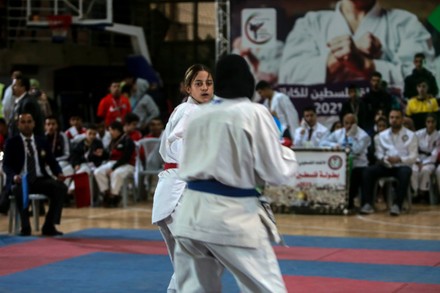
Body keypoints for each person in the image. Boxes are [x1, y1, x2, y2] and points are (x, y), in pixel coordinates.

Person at [172, 54, 298, 292]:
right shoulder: (254, 113)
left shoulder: (198, 114)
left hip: (189, 215)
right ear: (247, 81)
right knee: (267, 288)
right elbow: (276, 171)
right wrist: (288, 154)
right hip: (231, 216)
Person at [151, 64, 214, 292]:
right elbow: (177, 140)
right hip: (178, 192)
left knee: (188, 264)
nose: (205, 88)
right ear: (188, 88)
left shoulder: (194, 111)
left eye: (208, 83)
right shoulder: (189, 112)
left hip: (175, 190)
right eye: (198, 84)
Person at [278, 0, 435, 86]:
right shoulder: (311, 23)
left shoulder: (406, 23)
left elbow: (425, 84)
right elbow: (288, 78)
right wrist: (340, 59)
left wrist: (367, 65)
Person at [3, 113, 67, 236]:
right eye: (23, 122)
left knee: (60, 188)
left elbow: (52, 162)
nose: (26, 125)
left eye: (29, 121)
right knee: (18, 190)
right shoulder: (12, 142)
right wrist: (14, 176)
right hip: (21, 180)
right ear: (18, 125)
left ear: (34, 124)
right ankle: (25, 226)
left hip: (39, 179)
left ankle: (49, 225)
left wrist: (58, 173)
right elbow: (6, 166)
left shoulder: (41, 141)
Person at [360, 109, 417, 216]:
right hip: (386, 165)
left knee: (406, 172)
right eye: (392, 117)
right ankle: (367, 204)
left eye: (397, 117)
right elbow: (378, 153)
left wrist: (399, 159)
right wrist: (385, 159)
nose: (394, 120)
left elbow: (413, 156)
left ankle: (397, 205)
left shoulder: (411, 135)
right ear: (389, 119)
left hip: (401, 166)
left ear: (402, 119)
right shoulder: (381, 135)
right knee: (368, 171)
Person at [320, 113, 371, 210]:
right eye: (346, 123)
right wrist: (334, 145)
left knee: (353, 175)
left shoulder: (364, 136)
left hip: (359, 165)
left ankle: (349, 202)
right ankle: (333, 201)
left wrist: (351, 136)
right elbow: (322, 143)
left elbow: (356, 150)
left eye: (352, 123)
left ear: (356, 123)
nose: (349, 126)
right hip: (341, 165)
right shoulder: (339, 133)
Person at [93, 121, 135, 207]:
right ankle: (106, 193)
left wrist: (113, 168)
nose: (109, 132)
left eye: (110, 130)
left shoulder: (128, 140)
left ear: (116, 130)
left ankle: (114, 196)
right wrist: (102, 154)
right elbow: (109, 154)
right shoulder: (112, 140)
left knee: (116, 173)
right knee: (98, 172)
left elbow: (125, 158)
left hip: (127, 165)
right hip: (112, 163)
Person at [411, 114, 439, 203]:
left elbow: (436, 152)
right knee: (413, 170)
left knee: (425, 170)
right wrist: (418, 161)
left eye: (432, 122)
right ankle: (414, 192)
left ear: (436, 123)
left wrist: (424, 163)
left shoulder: (438, 135)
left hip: (430, 161)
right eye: (428, 122)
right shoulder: (418, 134)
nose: (430, 124)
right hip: (417, 159)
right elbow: (413, 149)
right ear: (425, 123)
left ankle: (423, 193)